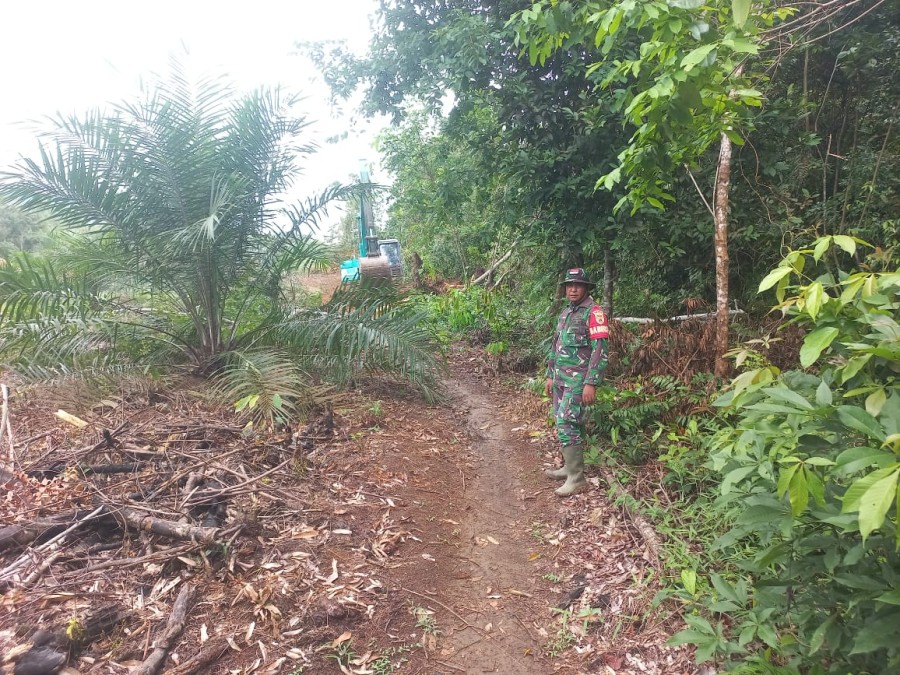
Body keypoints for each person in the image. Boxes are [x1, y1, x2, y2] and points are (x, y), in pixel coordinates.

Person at [544, 268, 609, 497]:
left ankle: (577, 478)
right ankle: (569, 468)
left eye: (578, 285)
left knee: (566, 421)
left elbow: (600, 350)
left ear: (586, 288)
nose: (573, 289)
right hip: (561, 379)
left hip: (578, 381)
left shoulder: (594, 312)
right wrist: (550, 375)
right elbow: (556, 345)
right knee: (569, 421)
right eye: (569, 285)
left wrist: (591, 382)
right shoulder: (566, 312)